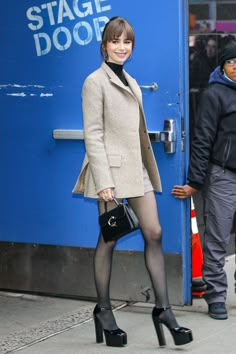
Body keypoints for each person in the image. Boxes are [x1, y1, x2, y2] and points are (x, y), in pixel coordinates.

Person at [72, 16, 193, 347]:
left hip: (136, 170)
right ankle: (105, 311)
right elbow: (93, 136)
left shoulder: (132, 81)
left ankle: (163, 310)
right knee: (110, 239)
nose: (122, 47)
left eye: (127, 42)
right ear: (104, 44)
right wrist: (104, 183)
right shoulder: (94, 82)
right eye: (115, 41)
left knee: (154, 232)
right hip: (109, 172)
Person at [172, 41, 236, 320]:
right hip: (223, 175)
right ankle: (216, 295)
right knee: (218, 239)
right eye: (232, 61)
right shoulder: (215, 94)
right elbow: (202, 140)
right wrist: (195, 181)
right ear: (222, 66)